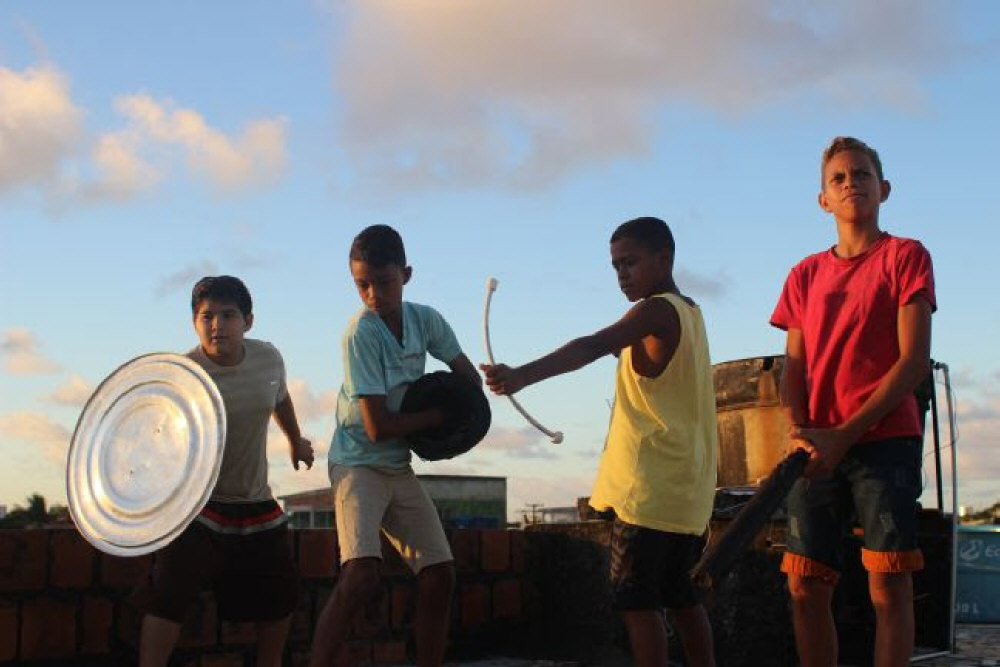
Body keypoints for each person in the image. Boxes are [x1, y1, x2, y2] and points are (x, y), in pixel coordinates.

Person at [482, 216, 717, 667]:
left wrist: (522, 376)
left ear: (663, 258)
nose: (621, 274)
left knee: (637, 603)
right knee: (683, 598)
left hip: (649, 489)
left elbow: (592, 344)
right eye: (615, 266)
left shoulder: (653, 311)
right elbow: (620, 349)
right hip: (686, 492)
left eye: (630, 262)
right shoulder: (690, 311)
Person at [771, 137, 935, 667]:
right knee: (804, 587)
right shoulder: (804, 274)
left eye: (861, 173)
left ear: (883, 188)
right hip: (814, 445)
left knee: (889, 585)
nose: (850, 183)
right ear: (823, 200)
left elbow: (913, 363)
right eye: (838, 178)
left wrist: (846, 435)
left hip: (886, 438)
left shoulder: (906, 256)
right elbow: (791, 365)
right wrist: (799, 430)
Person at [309, 225, 481, 667]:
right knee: (361, 574)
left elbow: (467, 379)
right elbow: (377, 425)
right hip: (357, 465)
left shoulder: (426, 320)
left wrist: (474, 394)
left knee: (440, 574)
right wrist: (437, 418)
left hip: (397, 465)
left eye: (383, 282)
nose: (372, 294)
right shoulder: (360, 334)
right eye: (361, 284)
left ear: (406, 275)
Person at [140, 275, 314, 667]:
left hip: (254, 503)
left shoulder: (268, 358)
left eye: (228, 315)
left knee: (281, 596)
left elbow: (280, 397)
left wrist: (295, 441)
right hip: (198, 507)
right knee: (169, 594)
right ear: (194, 323)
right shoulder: (183, 374)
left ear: (247, 321)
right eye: (207, 316)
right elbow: (156, 438)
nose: (217, 324)